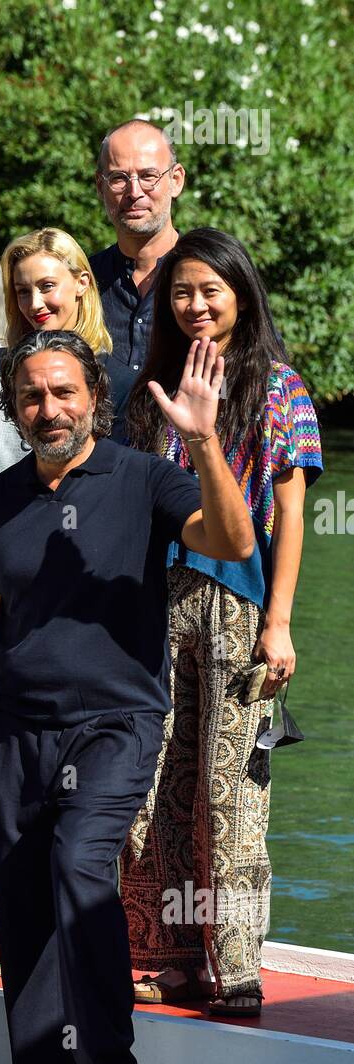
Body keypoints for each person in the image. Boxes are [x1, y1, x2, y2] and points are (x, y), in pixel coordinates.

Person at [0, 328, 254, 1064]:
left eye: (64, 392)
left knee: (79, 867)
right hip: (19, 735)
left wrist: (202, 444)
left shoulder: (144, 478)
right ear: (12, 407)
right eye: (31, 395)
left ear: (94, 395)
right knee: (21, 910)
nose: (48, 408)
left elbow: (232, 544)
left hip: (116, 724)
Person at [121, 228, 323, 1017]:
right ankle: (160, 953)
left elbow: (290, 508)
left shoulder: (276, 385)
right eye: (181, 291)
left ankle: (235, 962)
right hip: (153, 597)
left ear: (240, 294)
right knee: (151, 780)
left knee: (230, 789)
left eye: (210, 289)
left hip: (238, 601)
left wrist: (279, 622)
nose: (195, 304)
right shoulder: (152, 387)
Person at [0, 227, 133, 966]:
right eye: (21, 290)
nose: (35, 300)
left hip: (88, 595)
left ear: (80, 282)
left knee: (89, 789)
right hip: (0, 581)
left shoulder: (108, 372)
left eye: (48, 284)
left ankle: (80, 930)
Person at [90, 119, 185, 378]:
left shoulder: (214, 275)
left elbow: (256, 367)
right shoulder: (83, 284)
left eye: (148, 176)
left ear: (176, 180)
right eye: (119, 178)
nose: (134, 192)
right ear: (100, 186)